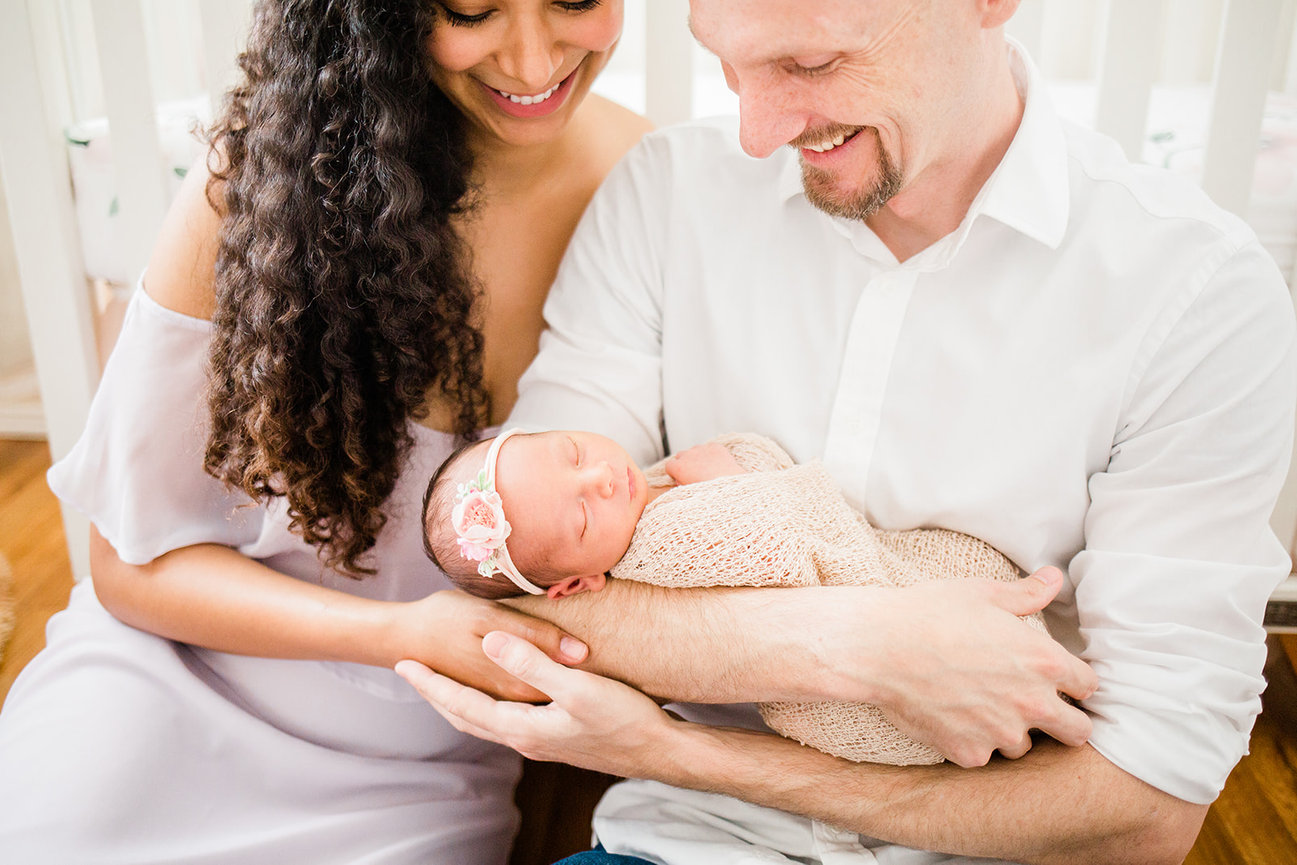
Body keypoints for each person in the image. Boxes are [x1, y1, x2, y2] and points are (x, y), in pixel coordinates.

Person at [394, 1, 1297, 863]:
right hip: (688, 845)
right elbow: (514, 580)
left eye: (810, 63)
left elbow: (1145, 809)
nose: (757, 131)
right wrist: (856, 645)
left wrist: (683, 749)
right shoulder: (670, 192)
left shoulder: (1194, 294)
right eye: (726, 61)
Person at [0, 1, 650, 862]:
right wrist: (402, 635)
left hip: (415, 777)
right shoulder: (262, 183)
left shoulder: (647, 187)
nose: (532, 64)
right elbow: (130, 568)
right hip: (165, 698)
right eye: (471, 10)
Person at [423, 427, 1047, 768]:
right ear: (577, 587)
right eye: (582, 518)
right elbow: (783, 549)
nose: (601, 479)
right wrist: (728, 479)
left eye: (575, 453)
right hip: (843, 692)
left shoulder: (650, 491)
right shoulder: (657, 544)